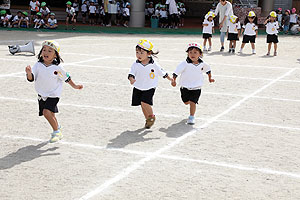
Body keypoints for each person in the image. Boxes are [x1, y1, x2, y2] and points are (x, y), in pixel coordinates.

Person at [25, 40, 83, 143]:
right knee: (51, 114)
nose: (46, 52)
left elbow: (66, 78)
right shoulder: (38, 65)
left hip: (53, 94)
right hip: (42, 94)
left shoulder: (57, 68)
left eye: (50, 51)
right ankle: (57, 126)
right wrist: (29, 73)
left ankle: (56, 132)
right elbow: (31, 78)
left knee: (46, 112)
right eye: (44, 50)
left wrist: (75, 86)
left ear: (55, 55)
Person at [128, 39, 173, 129]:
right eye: (137, 52)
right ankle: (147, 120)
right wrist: (131, 79)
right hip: (138, 87)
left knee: (145, 103)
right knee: (141, 104)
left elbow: (162, 72)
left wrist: (170, 79)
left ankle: (152, 116)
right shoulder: (135, 64)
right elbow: (131, 73)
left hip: (149, 87)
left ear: (149, 53)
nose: (138, 55)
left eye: (141, 53)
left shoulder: (154, 64)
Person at [171, 43, 215, 125]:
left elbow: (208, 70)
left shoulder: (202, 64)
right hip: (185, 87)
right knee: (186, 102)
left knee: (193, 102)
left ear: (200, 54)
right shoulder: (184, 63)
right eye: (190, 52)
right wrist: (173, 80)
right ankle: (188, 103)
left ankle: (191, 117)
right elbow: (176, 72)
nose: (192, 54)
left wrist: (210, 78)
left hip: (196, 87)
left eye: (195, 52)